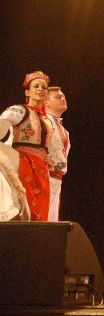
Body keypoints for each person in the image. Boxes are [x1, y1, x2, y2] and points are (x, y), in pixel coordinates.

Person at [0, 71, 56, 221]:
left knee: (41, 207)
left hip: (41, 168)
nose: (40, 89)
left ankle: (36, 235)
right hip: (23, 162)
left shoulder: (48, 121)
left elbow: (47, 146)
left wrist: (50, 158)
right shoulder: (19, 111)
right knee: (25, 204)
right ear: (27, 92)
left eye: (44, 88)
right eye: (36, 86)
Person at [45, 86, 70, 222]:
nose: (63, 99)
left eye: (63, 96)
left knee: (50, 221)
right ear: (46, 102)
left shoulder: (64, 130)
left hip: (56, 179)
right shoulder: (41, 121)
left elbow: (62, 161)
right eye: (58, 97)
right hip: (42, 177)